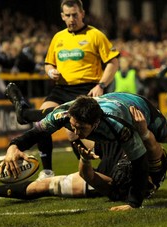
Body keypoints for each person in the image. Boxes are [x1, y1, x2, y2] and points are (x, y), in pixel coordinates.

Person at [0, 92, 167, 209]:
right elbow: (37, 133)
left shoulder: (119, 126)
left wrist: (134, 203)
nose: (73, 129)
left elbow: (140, 161)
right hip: (106, 109)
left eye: (80, 127)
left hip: (136, 107)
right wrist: (13, 146)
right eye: (72, 124)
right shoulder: (64, 114)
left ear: (95, 124)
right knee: (50, 125)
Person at [0, 108, 167, 211]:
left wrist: (84, 160)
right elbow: (152, 144)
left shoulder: (113, 186)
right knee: (72, 128)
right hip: (117, 144)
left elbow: (89, 175)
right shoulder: (154, 164)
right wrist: (144, 132)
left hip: (105, 162)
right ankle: (28, 112)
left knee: (45, 186)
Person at [6, 0, 119, 180]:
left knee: (71, 129)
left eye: (75, 14)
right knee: (42, 121)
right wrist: (50, 71)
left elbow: (113, 62)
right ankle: (48, 170)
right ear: (62, 16)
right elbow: (48, 63)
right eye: (68, 15)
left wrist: (101, 85)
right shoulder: (58, 37)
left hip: (86, 89)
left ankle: (25, 113)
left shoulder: (95, 35)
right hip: (61, 89)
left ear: (82, 13)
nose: (71, 19)